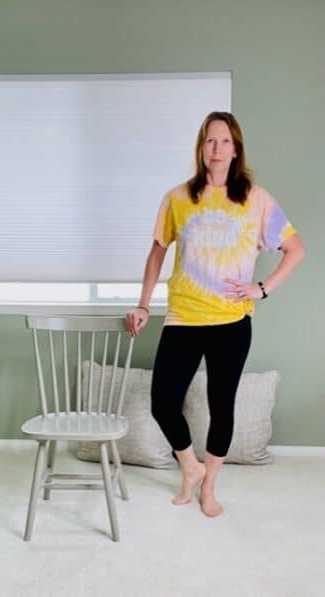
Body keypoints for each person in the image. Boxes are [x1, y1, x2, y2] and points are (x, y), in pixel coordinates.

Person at [125, 111, 305, 518]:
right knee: (163, 402)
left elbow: (296, 250)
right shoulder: (177, 198)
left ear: (236, 148)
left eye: (224, 141)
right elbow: (157, 253)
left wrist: (262, 289)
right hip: (184, 318)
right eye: (209, 141)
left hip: (231, 323)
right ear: (200, 148)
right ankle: (191, 467)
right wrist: (142, 303)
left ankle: (210, 486)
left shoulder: (256, 200)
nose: (217, 149)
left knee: (221, 407)